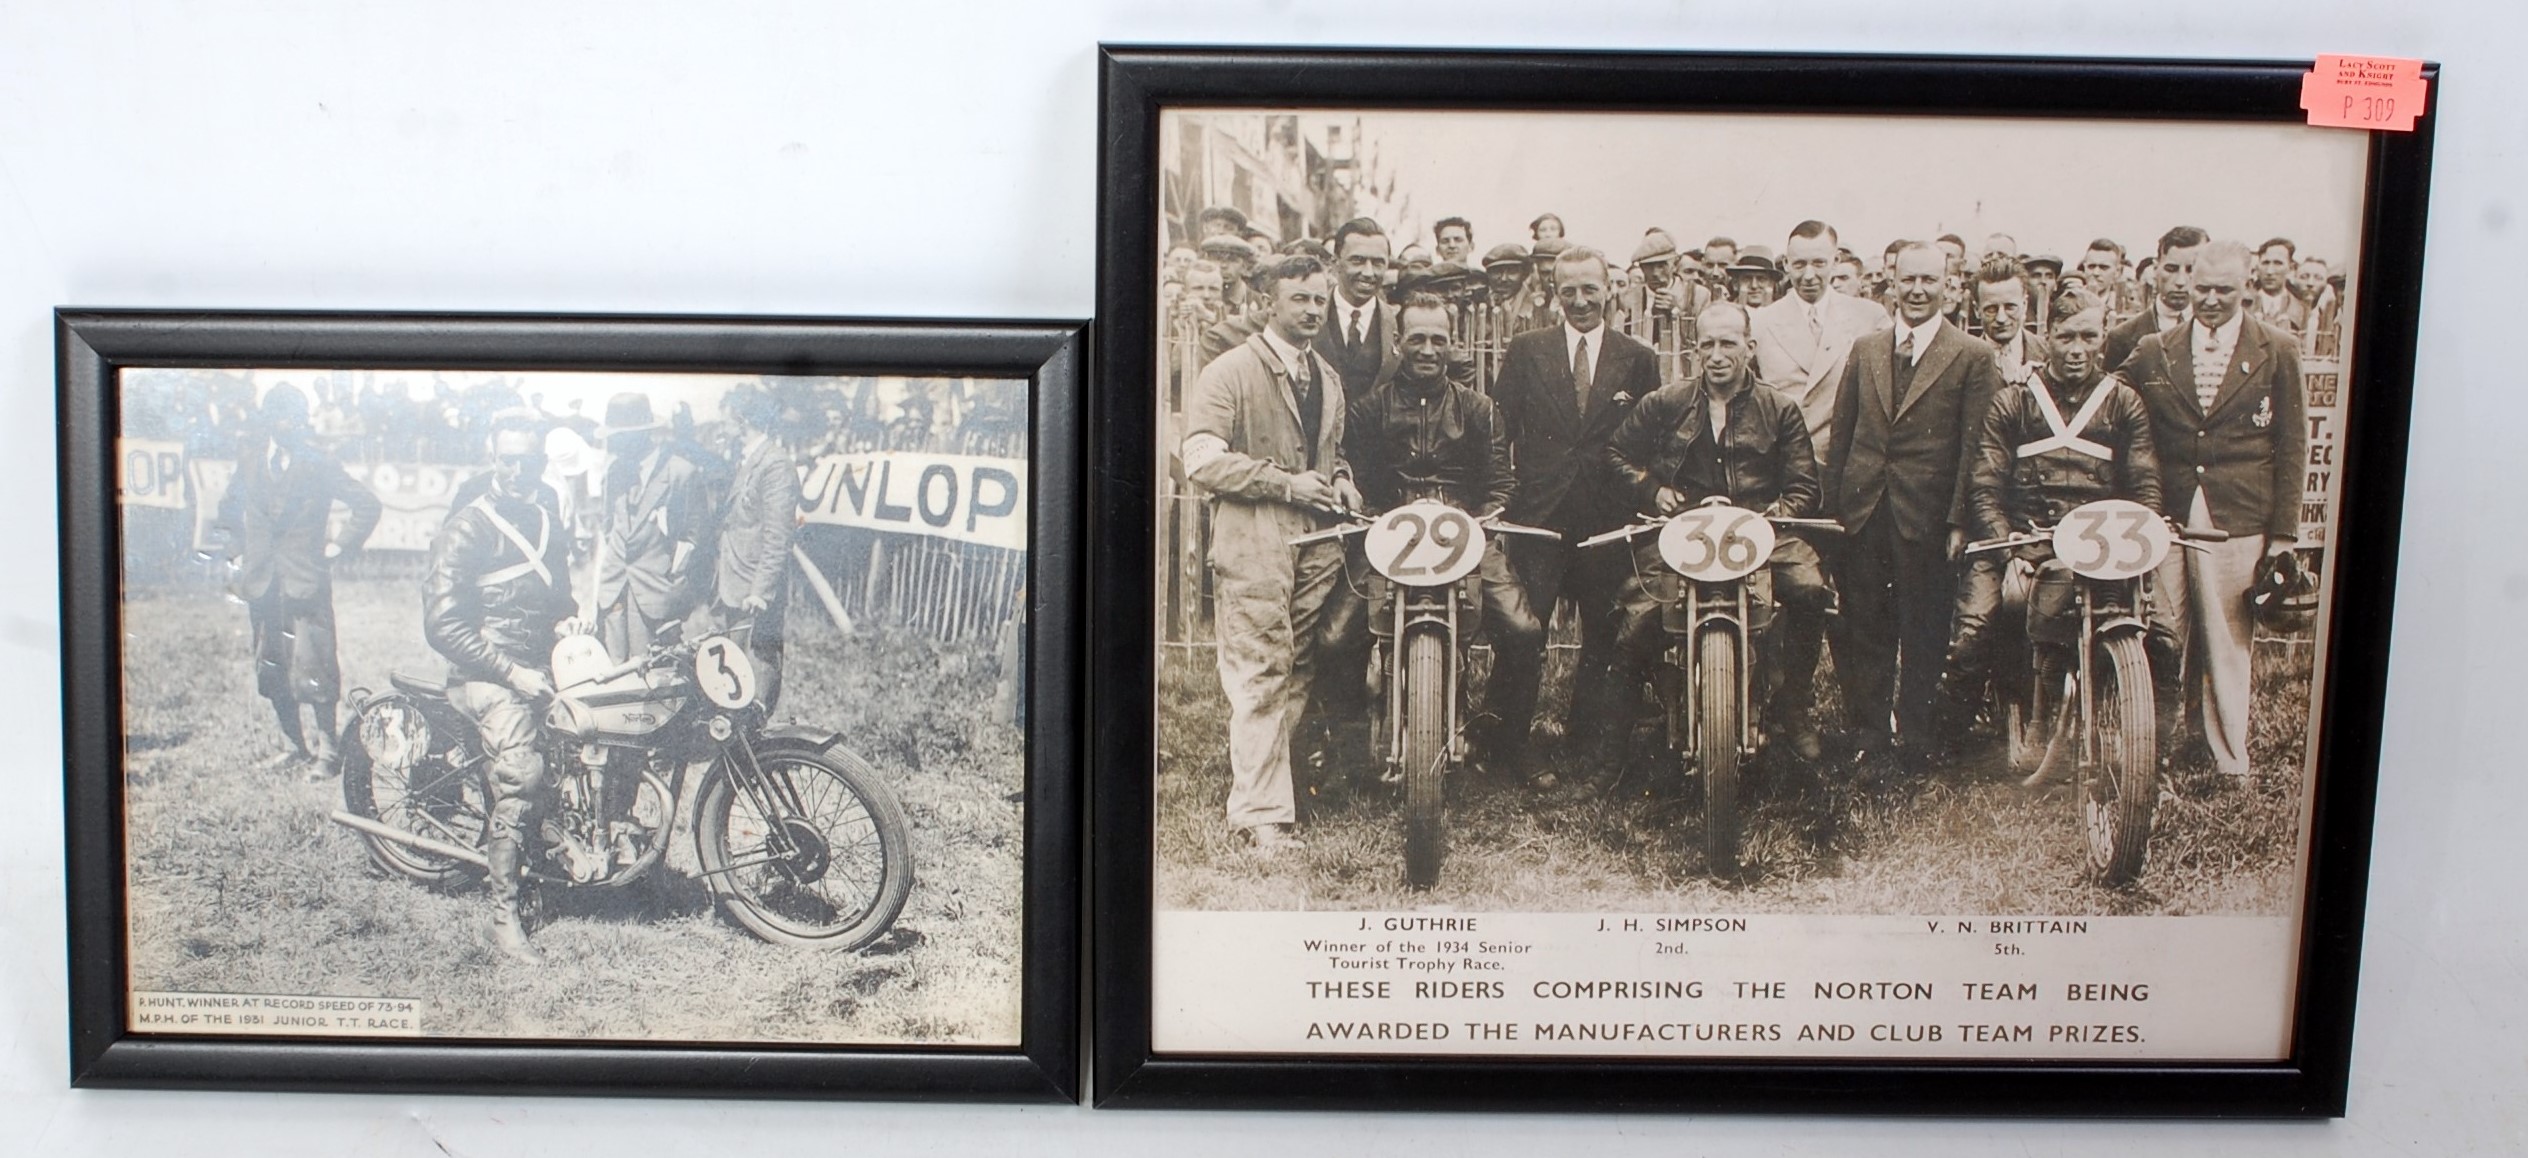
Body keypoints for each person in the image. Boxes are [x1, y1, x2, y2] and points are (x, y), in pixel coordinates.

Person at [1942, 290, 2162, 777]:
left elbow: (2145, 478)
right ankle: (1950, 748)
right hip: (2024, 538)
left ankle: (2147, 750)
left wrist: (2145, 535)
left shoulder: (2123, 402)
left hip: (2099, 542)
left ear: (2103, 338)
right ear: (2049, 339)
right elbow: (1984, 485)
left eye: (2088, 335)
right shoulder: (2014, 401)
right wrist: (2009, 547)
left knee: (2164, 635)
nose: (2077, 348)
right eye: (2065, 337)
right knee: (1974, 631)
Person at [1181, 254, 1359, 856]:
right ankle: (1260, 816)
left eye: (1319, 300)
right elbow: (1201, 460)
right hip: (1254, 535)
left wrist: (1341, 480)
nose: (1311, 310)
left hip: (1315, 541)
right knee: (1260, 670)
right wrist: (1285, 483)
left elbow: (1330, 454)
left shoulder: (1328, 377)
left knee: (1299, 662)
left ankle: (1273, 793)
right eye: (1299, 299)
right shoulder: (1229, 372)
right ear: (1269, 302)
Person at [1606, 301, 1831, 759]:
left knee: (1808, 588)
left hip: (1759, 530)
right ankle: (1612, 751)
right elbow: (1617, 454)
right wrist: (1652, 491)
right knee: (1637, 615)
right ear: (1695, 350)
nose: (1717, 354)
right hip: (1682, 530)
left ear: (1749, 347)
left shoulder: (1779, 408)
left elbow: (1805, 486)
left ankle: (1794, 706)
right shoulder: (1665, 403)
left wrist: (1772, 515)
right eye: (1707, 343)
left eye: (1728, 343)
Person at [2117, 241, 2306, 780]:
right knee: (2163, 628)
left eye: (2225, 289)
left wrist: (2284, 536)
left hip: (2240, 517)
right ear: (2185, 285)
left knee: (2226, 640)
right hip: (2169, 513)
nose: (2212, 300)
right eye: (2203, 288)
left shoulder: (2277, 348)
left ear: (2247, 287)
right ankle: (2150, 753)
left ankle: (2228, 760)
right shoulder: (2157, 348)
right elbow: (2109, 396)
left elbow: (2293, 446)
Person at [1340, 294, 1541, 771]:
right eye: (1417, 338)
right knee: (1335, 636)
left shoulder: (1481, 408)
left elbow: (1501, 482)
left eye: (1438, 339)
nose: (1428, 349)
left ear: (1453, 345)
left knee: (1523, 630)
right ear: (1397, 342)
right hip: (1388, 538)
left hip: (1465, 536)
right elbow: (1362, 480)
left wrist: (1483, 518)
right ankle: (1347, 752)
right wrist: (1374, 516)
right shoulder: (1369, 409)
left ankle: (1501, 739)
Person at [1824, 242, 2001, 776]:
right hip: (1864, 512)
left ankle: (1917, 736)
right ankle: (1871, 738)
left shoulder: (1971, 355)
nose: (1918, 290)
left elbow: (1975, 447)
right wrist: (1835, 513)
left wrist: (1959, 520)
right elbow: (1843, 435)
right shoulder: (1867, 348)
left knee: (1923, 630)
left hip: (1926, 518)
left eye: (1929, 280)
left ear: (1949, 286)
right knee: (1866, 629)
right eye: (1908, 280)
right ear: (1891, 284)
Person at [1491, 246, 1661, 790]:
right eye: (1569, 291)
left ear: (1610, 288)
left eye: (1591, 289)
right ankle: (1513, 744)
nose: (1581, 301)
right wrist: (1510, 495)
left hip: (1607, 520)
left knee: (1604, 635)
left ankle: (1586, 740)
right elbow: (1501, 431)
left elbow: (1648, 440)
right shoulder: (1526, 349)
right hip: (1540, 518)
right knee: (1525, 632)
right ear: (1553, 293)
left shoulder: (1637, 356)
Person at [423, 416, 578, 963]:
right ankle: (504, 917)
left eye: (529, 460)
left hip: (543, 666)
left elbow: (560, 596)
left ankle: (569, 849)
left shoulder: (546, 515)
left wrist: (569, 623)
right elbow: (442, 624)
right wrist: (512, 674)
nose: (518, 471)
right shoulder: (468, 526)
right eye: (507, 459)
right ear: (492, 458)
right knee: (522, 774)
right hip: (484, 676)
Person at [214, 383, 382, 779]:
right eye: (282, 415)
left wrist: (338, 546)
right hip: (261, 585)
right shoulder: (251, 462)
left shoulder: (318, 463)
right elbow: (227, 511)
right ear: (269, 420)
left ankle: (328, 751)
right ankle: (294, 746)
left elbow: (366, 503)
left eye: (296, 416)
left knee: (317, 667)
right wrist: (237, 552)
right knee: (271, 667)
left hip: (306, 583)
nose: (290, 423)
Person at [703, 383, 807, 715]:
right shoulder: (747, 461)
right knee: (734, 664)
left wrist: (761, 591)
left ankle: (759, 739)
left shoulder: (775, 465)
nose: (723, 429)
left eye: (727, 422)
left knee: (760, 660)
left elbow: (779, 535)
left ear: (744, 420)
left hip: (754, 588)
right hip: (734, 582)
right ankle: (737, 737)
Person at [1752, 220, 1891, 467]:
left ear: (1836, 261)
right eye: (1799, 264)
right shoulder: (1761, 323)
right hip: (1783, 464)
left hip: (1848, 464)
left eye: (1819, 263)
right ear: (1785, 264)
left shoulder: (1870, 317)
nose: (1808, 275)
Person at [592, 392, 715, 662]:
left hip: (656, 599)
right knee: (613, 677)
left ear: (643, 434)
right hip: (614, 594)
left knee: (652, 682)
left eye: (620, 436)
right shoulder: (614, 472)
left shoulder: (681, 473)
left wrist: (675, 593)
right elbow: (609, 528)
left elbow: (697, 543)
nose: (614, 444)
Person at [2104, 226, 2209, 371]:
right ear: (2155, 268)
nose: (2180, 281)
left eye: (2191, 270)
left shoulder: (2221, 331)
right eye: (2171, 269)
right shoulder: (2122, 337)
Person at [1322, 217, 1399, 397]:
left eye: (1378, 263)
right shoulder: (1311, 315)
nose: (1368, 273)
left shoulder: (1398, 324)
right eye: (1357, 260)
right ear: (1335, 263)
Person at [1974, 254, 2049, 386]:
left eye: (2010, 307)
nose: (2001, 318)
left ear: (2025, 304)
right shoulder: (1965, 361)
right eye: (1991, 309)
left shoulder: (2048, 352)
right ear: (1976, 310)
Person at [2249, 238, 2313, 337]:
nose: (2270, 271)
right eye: (2265, 263)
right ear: (2257, 268)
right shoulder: (2241, 307)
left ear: (2291, 269)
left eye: (2278, 263)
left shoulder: (2305, 312)